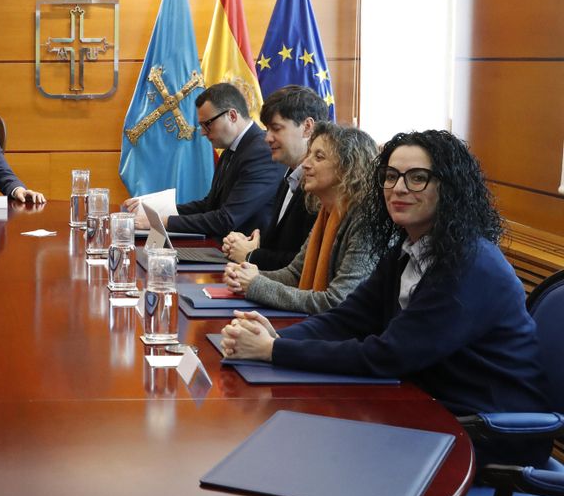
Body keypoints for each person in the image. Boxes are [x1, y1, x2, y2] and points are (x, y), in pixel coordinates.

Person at [221, 130, 550, 466]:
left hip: (486, 437)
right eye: (391, 176)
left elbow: (388, 355)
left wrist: (274, 350)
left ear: (449, 188)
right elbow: (347, 318)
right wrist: (274, 338)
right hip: (426, 410)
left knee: (309, 457)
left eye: (418, 178)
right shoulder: (407, 250)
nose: (399, 187)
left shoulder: (471, 264)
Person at [222, 122, 377, 314]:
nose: (305, 163)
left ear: (348, 168)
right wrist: (246, 275)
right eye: (309, 154)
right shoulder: (327, 213)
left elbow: (337, 301)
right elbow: (295, 274)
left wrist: (256, 284)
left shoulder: (366, 222)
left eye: (318, 157)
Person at [127, 82, 284, 240]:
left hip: (245, 257)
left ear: (232, 116)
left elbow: (226, 219)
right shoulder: (232, 150)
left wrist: (160, 222)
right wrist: (153, 209)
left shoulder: (262, 153)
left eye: (207, 124)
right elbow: (210, 205)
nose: (202, 132)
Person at [222, 85, 328, 268]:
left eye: (276, 129)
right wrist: (247, 242)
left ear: (307, 127)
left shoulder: (321, 188)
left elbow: (305, 262)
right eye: (267, 130)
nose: (267, 138)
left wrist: (250, 254)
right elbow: (281, 244)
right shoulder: (289, 175)